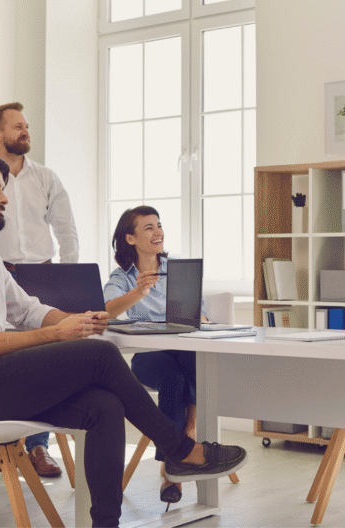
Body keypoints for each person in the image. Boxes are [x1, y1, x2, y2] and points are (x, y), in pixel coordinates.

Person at [0, 153, 247, 527]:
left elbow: (28, 309)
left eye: (3, 188)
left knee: (104, 406)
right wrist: (57, 334)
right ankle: (180, 450)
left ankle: (105, 523)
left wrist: (76, 320)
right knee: (99, 356)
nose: (3, 198)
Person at [0, 101, 79, 477]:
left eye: (26, 126)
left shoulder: (46, 177)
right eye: (17, 127)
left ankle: (38, 447)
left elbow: (67, 231)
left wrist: (68, 281)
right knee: (3, 360)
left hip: (43, 277)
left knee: (46, 362)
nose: (25, 131)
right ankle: (5, 438)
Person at [102, 206, 210, 506]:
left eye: (159, 225)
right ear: (131, 238)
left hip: (184, 349)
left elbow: (199, 309)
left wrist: (200, 315)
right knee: (173, 376)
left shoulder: (178, 267)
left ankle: (181, 444)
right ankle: (179, 454)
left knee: (195, 362)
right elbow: (106, 311)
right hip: (148, 356)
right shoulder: (123, 277)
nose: (158, 231)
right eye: (148, 227)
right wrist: (138, 292)